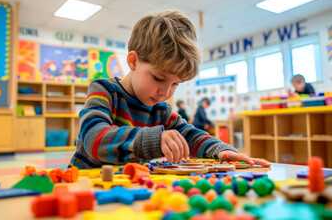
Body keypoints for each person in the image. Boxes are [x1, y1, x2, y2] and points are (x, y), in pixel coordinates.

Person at [69, 10, 270, 168]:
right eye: (159, 78)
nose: (165, 93)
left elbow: (190, 135)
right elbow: (94, 138)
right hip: (83, 185)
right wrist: (153, 140)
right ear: (133, 61)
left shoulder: (161, 109)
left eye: (175, 84)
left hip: (127, 188)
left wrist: (222, 150)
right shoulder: (104, 90)